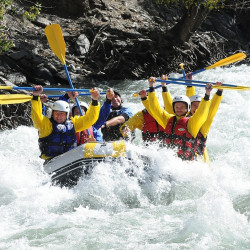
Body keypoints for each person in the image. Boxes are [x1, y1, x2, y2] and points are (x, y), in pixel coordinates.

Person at [142, 77, 212, 161]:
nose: (179, 109)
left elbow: (202, 114)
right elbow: (155, 109)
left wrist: (207, 95)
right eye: (177, 107)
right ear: (173, 108)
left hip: (188, 164)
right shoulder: (168, 120)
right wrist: (151, 87)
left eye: (182, 107)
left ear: (188, 108)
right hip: (171, 162)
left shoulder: (191, 122)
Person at [31, 85, 100, 161]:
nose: (59, 116)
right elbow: (36, 115)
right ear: (52, 113)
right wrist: (35, 96)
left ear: (67, 114)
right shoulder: (45, 124)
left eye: (62, 114)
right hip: (50, 161)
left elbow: (90, 119)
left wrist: (94, 100)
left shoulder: (74, 124)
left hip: (70, 160)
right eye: (56, 113)